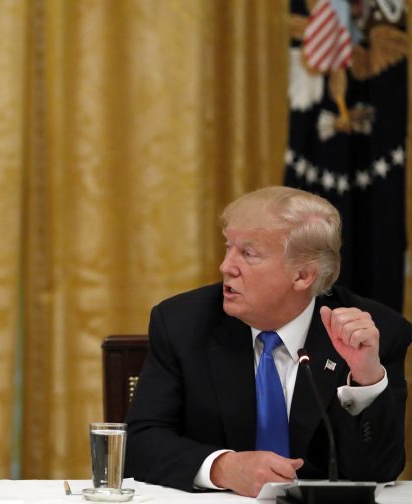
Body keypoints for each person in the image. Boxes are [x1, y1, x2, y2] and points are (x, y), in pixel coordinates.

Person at [125, 186, 411, 497]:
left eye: (248, 253)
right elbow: (141, 443)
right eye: (228, 247)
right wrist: (223, 467)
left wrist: (365, 377)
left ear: (302, 276)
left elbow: (378, 471)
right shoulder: (183, 323)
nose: (226, 267)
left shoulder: (372, 333)